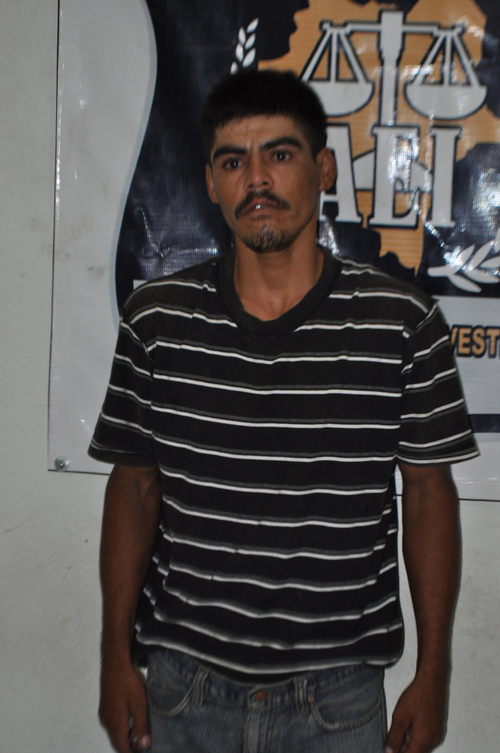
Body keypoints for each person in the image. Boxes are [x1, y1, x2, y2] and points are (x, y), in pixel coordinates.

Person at [89, 70, 478, 753]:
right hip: (182, 687)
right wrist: (113, 653)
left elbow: (427, 495)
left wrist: (434, 671)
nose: (257, 180)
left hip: (337, 699)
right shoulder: (157, 321)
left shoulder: (401, 323)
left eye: (279, 154)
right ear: (211, 183)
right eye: (232, 162)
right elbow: (135, 487)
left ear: (323, 168)